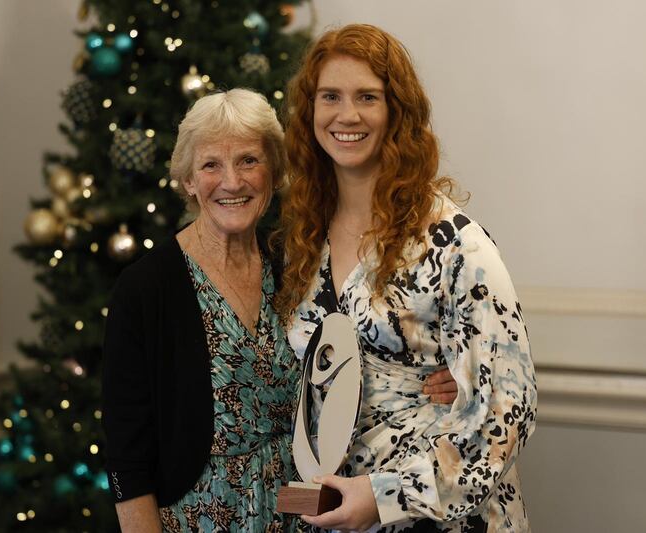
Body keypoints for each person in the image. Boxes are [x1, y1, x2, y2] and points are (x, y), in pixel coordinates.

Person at [101, 88, 459, 532]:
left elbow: (360, 358)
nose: (232, 182)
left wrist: (440, 378)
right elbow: (128, 456)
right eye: (211, 165)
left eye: (249, 160)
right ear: (188, 180)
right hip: (201, 520)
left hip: (305, 515)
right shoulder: (145, 288)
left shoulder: (296, 264)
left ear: (273, 173)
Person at [278, 24, 537, 532]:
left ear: (397, 111)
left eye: (367, 97)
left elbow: (508, 408)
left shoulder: (454, 244)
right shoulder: (303, 241)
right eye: (330, 96)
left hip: (435, 519)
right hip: (332, 512)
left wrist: (386, 497)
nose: (346, 115)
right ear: (310, 111)